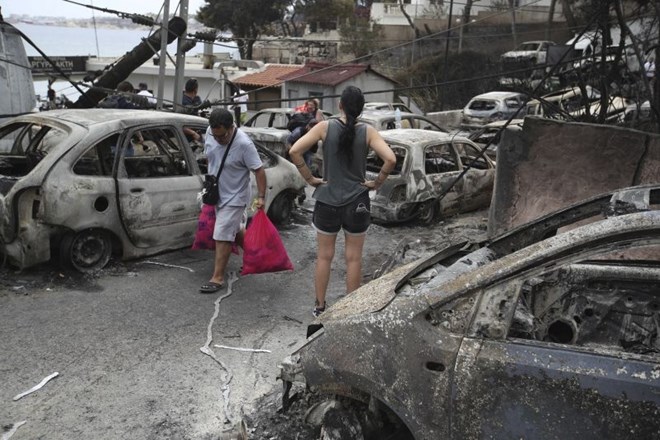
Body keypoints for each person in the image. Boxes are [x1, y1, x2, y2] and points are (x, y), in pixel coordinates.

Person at [289, 86, 396, 317]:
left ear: (340, 105)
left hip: (327, 199)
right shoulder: (368, 131)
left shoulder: (325, 127)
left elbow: (295, 151)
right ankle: (351, 310)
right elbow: (390, 159)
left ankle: (319, 307)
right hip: (357, 201)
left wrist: (310, 179)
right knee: (354, 258)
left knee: (324, 256)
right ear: (361, 108)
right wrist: (376, 183)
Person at [199, 108, 267, 293]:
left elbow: (259, 170)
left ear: (231, 128)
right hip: (215, 192)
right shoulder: (210, 133)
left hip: (235, 196)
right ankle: (257, 257)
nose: (218, 140)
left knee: (222, 232)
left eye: (222, 136)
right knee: (234, 229)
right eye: (216, 136)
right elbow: (210, 157)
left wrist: (261, 197)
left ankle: (217, 278)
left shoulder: (244, 144)